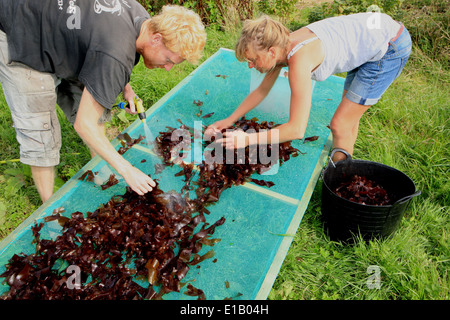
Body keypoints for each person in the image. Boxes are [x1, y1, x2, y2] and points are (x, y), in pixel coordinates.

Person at [0, 1, 206, 203]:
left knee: (95, 113)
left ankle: (103, 175)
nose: (168, 67)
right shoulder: (115, 51)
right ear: (156, 38)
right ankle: (49, 211)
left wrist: (127, 88)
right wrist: (127, 170)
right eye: (169, 59)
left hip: (58, 30)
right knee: (41, 131)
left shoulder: (141, 18)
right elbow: (84, 124)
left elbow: (107, 54)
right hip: (20, 29)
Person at [206, 12, 411, 162]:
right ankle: (343, 166)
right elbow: (261, 90)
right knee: (348, 117)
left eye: (252, 60)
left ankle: (337, 176)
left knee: (340, 123)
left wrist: (248, 140)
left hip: (389, 46)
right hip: (372, 36)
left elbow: (296, 129)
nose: (250, 65)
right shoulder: (279, 45)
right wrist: (228, 120)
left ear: (270, 52)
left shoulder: (299, 61)